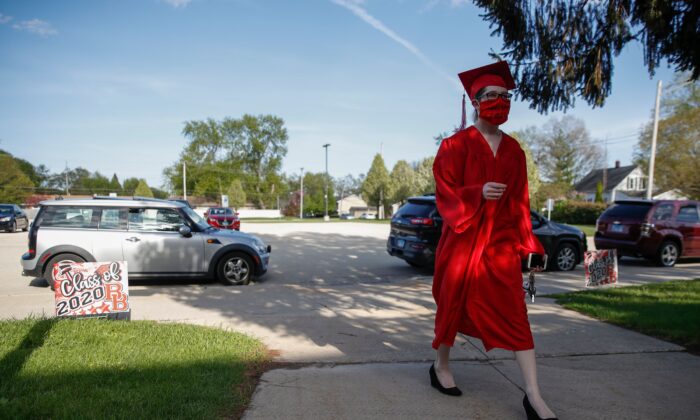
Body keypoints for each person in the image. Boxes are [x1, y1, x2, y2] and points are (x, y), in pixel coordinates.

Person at [429, 61, 557, 420]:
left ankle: (533, 396)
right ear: (476, 100)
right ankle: (440, 366)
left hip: (499, 247)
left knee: (516, 314)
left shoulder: (515, 151)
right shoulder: (454, 146)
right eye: (492, 96)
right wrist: (476, 192)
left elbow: (521, 204)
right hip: (461, 242)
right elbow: (445, 194)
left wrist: (528, 245)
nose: (500, 101)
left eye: (506, 96)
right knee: (451, 306)